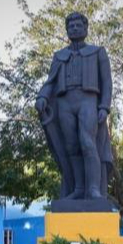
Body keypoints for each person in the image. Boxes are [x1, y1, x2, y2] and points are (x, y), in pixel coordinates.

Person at [35, 11, 114, 200]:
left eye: (79, 25)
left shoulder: (97, 52)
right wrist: (42, 96)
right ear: (67, 30)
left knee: (87, 142)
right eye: (71, 26)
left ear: (86, 29)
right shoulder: (59, 56)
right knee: (71, 146)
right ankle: (78, 188)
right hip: (65, 102)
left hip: (88, 100)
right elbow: (50, 81)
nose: (75, 28)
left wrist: (104, 107)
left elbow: (107, 82)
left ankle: (93, 189)